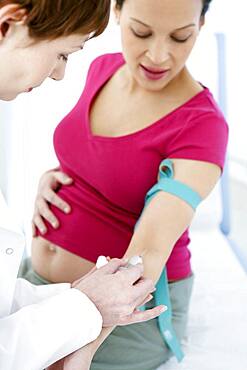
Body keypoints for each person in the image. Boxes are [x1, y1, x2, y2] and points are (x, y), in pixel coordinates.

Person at [20, 0, 229, 369]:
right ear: (116, 12)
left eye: (181, 37)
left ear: (201, 24)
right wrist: (50, 179)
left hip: (123, 315)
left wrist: (81, 347)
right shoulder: (104, 67)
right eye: (141, 32)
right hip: (44, 286)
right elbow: (99, 159)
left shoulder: (202, 125)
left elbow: (147, 253)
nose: (158, 55)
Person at [0, 1, 164, 370]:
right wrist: (81, 309)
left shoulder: (199, 117)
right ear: (7, 25)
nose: (59, 75)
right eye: (61, 53)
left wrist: (80, 302)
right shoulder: (103, 73)